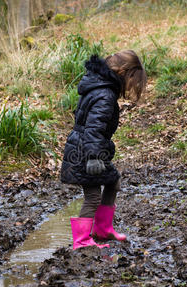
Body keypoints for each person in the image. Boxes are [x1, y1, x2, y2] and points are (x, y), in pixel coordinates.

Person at [60, 50, 147, 249]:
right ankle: (81, 241)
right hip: (86, 152)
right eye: (133, 79)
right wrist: (93, 157)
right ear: (124, 73)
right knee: (92, 197)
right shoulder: (105, 95)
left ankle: (102, 229)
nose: (132, 85)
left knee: (113, 181)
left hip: (88, 148)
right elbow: (94, 127)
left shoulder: (99, 87)